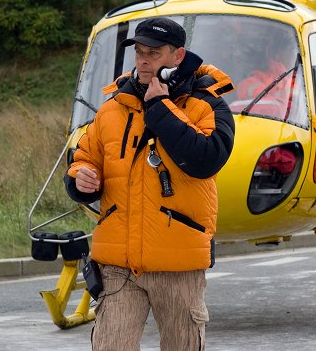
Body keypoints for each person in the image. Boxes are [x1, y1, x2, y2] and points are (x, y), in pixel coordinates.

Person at [64, 17, 235, 350]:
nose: (142, 61)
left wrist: (160, 108)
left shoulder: (207, 104)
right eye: (139, 52)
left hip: (178, 261)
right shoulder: (112, 108)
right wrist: (80, 178)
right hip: (118, 263)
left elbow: (206, 159)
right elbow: (85, 157)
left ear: (177, 56)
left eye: (153, 54)